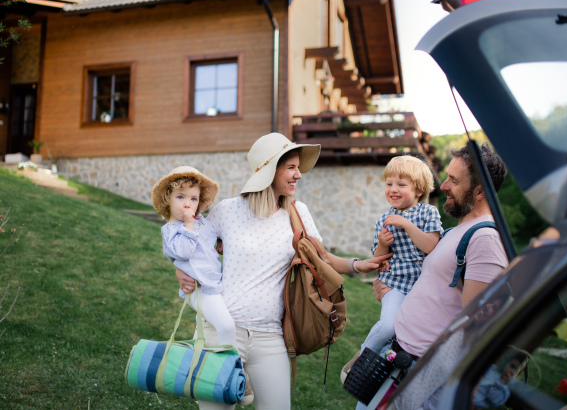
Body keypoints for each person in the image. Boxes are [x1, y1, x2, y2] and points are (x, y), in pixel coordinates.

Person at [175, 133, 391, 410]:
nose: (298, 175)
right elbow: (189, 248)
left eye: (298, 168)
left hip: (271, 338)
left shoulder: (297, 212)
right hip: (221, 334)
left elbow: (322, 258)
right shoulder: (227, 211)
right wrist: (179, 271)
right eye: (291, 167)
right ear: (270, 169)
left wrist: (357, 264)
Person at [373, 143, 509, 360]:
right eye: (447, 177)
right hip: (399, 353)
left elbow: (476, 323)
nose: (443, 186)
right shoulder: (454, 232)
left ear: (480, 191)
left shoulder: (486, 239)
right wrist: (391, 291)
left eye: (453, 181)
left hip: (423, 365)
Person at [151, 166, 255, 405]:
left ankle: (211, 375)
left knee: (211, 334)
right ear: (168, 199)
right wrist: (187, 225)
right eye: (181, 197)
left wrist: (218, 242)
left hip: (214, 286)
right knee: (226, 327)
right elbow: (184, 251)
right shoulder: (171, 230)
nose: (188, 203)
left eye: (193, 198)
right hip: (199, 290)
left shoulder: (200, 223)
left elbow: (210, 240)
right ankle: (239, 376)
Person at [361, 156, 442, 356]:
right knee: (389, 326)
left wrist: (406, 224)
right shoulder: (384, 220)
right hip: (394, 283)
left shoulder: (429, 212)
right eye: (389, 184)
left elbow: (431, 246)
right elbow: (378, 259)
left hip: (422, 286)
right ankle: (362, 358)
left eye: (401, 184)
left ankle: (391, 367)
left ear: (419, 190)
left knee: (410, 335)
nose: (393, 189)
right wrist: (382, 244)